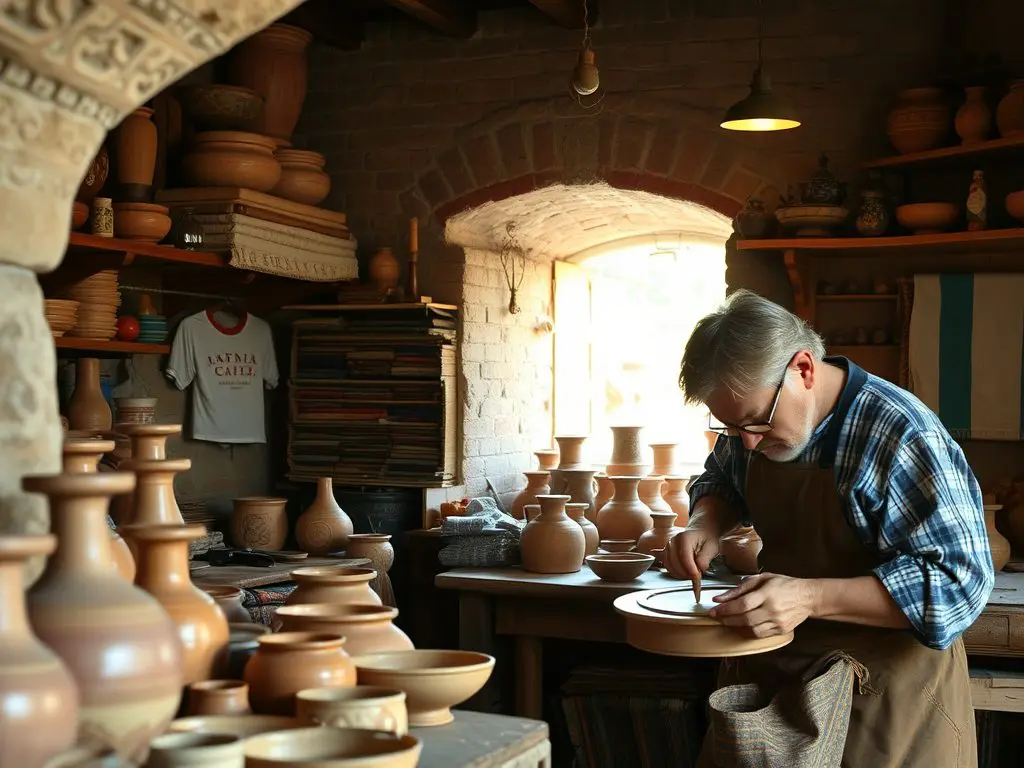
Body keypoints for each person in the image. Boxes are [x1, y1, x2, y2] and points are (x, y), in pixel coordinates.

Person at [665, 289, 993, 766]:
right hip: (775, 679)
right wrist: (704, 521)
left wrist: (807, 597)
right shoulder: (750, 425)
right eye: (732, 430)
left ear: (803, 369)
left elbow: (957, 588)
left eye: (757, 423)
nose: (749, 444)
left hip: (886, 700)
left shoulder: (900, 432)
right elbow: (721, 478)